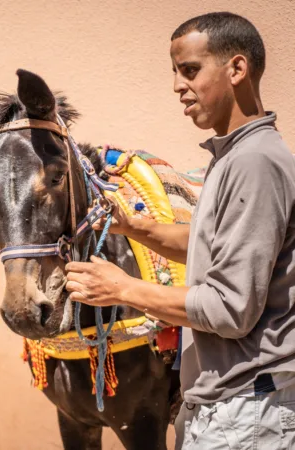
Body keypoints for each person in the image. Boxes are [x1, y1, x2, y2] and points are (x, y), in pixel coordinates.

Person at [65, 12, 295, 449]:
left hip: (246, 415)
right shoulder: (235, 155)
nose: (177, 86)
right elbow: (210, 245)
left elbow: (230, 309)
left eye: (190, 70)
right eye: (175, 72)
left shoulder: (253, 163)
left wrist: (122, 289)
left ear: (237, 69)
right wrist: (134, 226)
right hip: (232, 409)